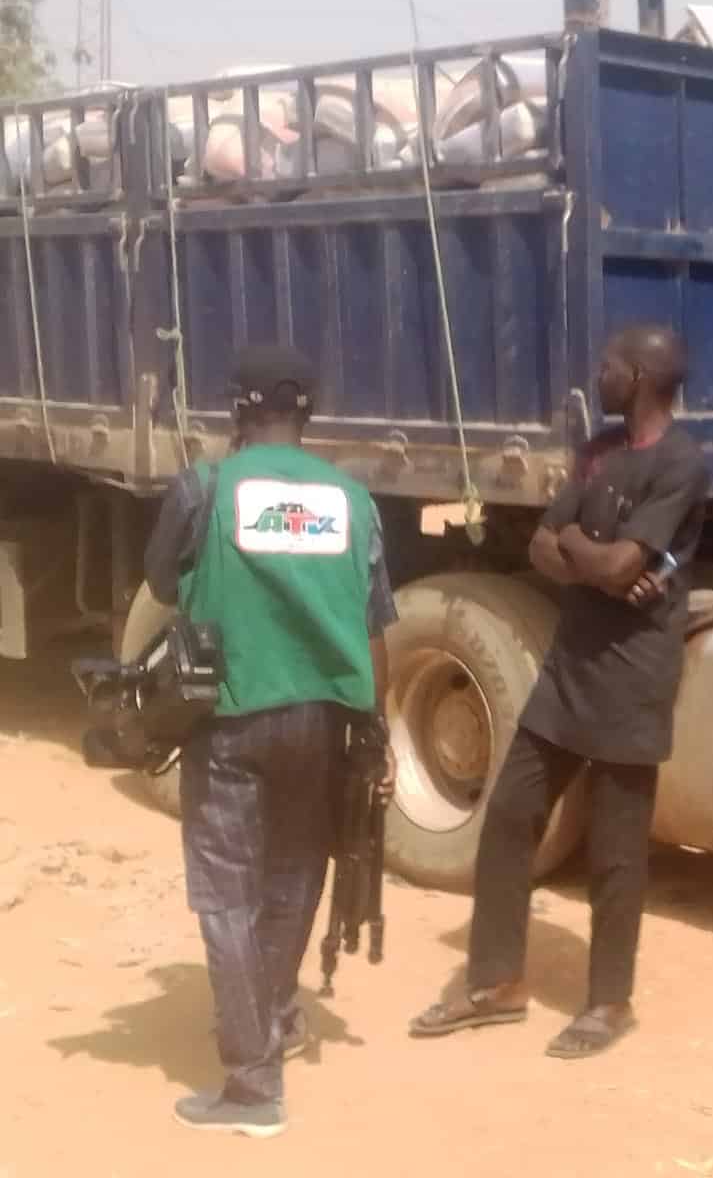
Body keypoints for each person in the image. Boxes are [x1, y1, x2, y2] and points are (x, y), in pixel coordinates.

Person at [410, 324, 708, 1059]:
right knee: (511, 814)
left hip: (633, 677)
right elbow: (549, 547)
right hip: (569, 668)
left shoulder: (681, 463)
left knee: (615, 848)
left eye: (609, 364)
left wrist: (590, 558)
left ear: (637, 376)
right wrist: (590, 557)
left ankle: (609, 1003)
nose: (598, 373)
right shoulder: (597, 452)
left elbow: (613, 565)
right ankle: (496, 984)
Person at [142, 342, 397, 1138]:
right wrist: (376, 730)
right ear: (308, 414)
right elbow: (375, 628)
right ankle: (277, 1013)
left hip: (233, 718)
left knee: (226, 893)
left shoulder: (206, 486)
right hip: (326, 722)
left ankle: (253, 1087)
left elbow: (158, 581)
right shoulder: (354, 501)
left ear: (238, 409)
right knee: (293, 879)